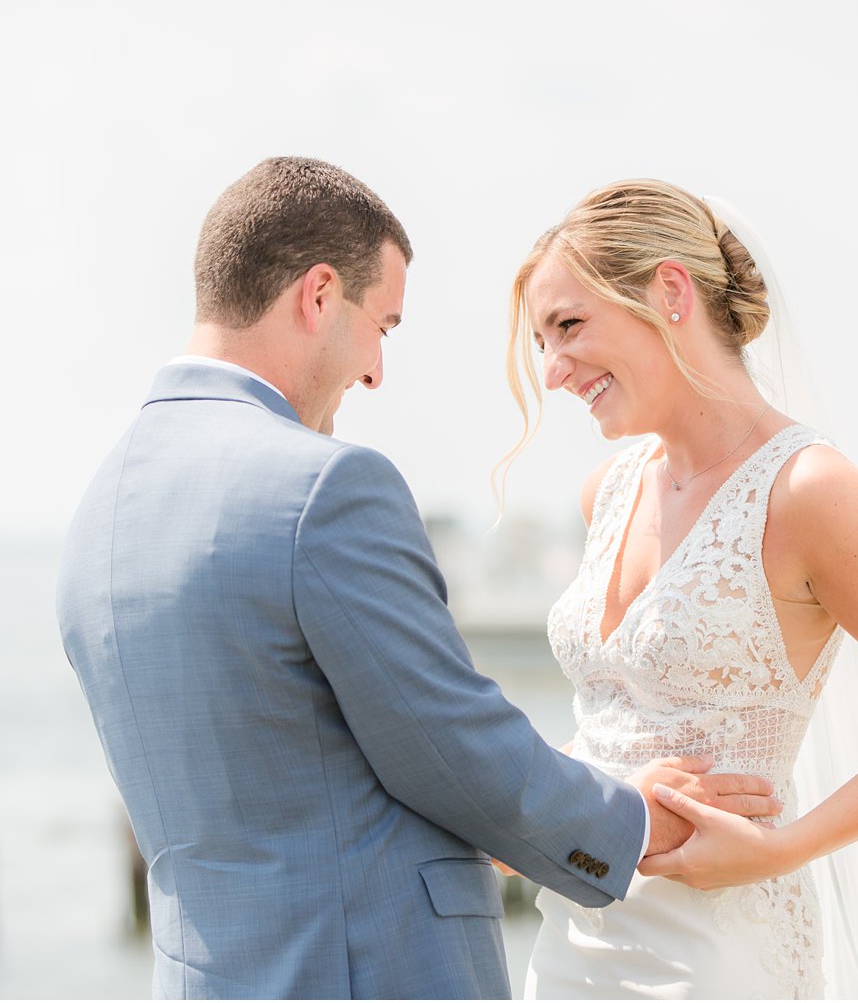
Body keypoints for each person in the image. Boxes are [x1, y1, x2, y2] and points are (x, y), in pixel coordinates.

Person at [55, 157, 781, 1000]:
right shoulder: (322, 488)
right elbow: (449, 740)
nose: (375, 371)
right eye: (384, 327)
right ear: (319, 295)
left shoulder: (97, 520)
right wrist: (634, 819)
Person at [499, 179, 858, 999]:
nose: (555, 370)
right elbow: (612, 729)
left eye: (568, 326)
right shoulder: (607, 491)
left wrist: (787, 846)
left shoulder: (809, 491)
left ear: (670, 291)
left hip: (718, 954)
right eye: (542, 342)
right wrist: (525, 805)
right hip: (570, 946)